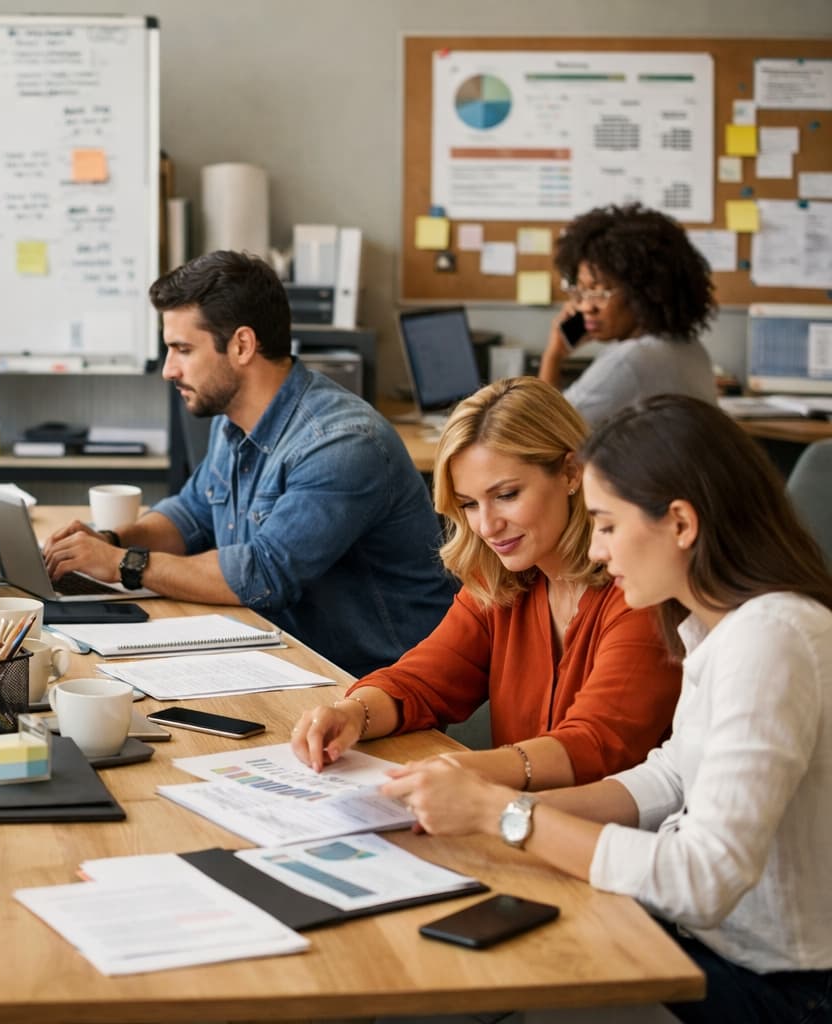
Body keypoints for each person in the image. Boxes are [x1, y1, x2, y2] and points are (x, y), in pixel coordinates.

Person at [383, 395, 832, 1023]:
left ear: (680, 523)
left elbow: (704, 879)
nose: (594, 549)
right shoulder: (716, 627)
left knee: (452, 997)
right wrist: (486, 816)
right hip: (695, 942)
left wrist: (505, 815)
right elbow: (669, 776)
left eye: (608, 525)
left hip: (771, 985)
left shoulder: (771, 640)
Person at [42, 250, 453, 676]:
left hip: (378, 681)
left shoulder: (343, 444)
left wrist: (122, 564)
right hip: (288, 657)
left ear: (241, 345)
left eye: (182, 349)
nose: (168, 370)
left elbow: (263, 574)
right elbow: (191, 516)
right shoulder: (236, 421)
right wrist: (111, 539)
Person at [291, 378, 680, 790]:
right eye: (470, 504)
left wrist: (465, 773)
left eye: (507, 494)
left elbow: (598, 743)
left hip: (608, 840)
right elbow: (423, 681)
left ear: (570, 472)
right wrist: (353, 714)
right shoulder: (499, 579)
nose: (488, 526)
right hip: (512, 823)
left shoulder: (639, 588)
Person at [539, 203, 718, 426]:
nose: (586, 306)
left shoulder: (630, 361)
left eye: (600, 291)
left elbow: (543, 433)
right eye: (582, 291)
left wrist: (553, 355)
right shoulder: (687, 346)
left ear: (645, 292)